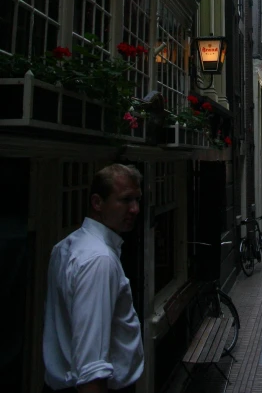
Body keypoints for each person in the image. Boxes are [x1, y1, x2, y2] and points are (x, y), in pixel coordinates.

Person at [43, 164, 144, 392]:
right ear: (97, 203)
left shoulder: (65, 247)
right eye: (126, 200)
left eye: (137, 199)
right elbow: (91, 369)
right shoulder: (100, 259)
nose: (135, 209)